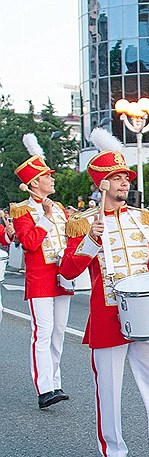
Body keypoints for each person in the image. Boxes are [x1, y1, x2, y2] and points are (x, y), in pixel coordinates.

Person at [59, 128, 149, 457]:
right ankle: (114, 451)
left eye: (124, 177)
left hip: (146, 315)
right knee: (109, 388)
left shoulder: (141, 218)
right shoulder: (82, 224)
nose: (123, 183)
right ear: (101, 182)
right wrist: (89, 241)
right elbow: (68, 271)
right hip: (107, 316)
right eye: (116, 178)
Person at [11, 134, 72, 409]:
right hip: (39, 278)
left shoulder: (59, 208)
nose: (53, 179)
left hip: (62, 275)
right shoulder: (22, 211)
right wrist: (45, 218)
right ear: (35, 183)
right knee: (43, 332)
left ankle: (55, 382)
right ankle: (44, 387)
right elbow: (30, 243)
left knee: (59, 331)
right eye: (48, 176)